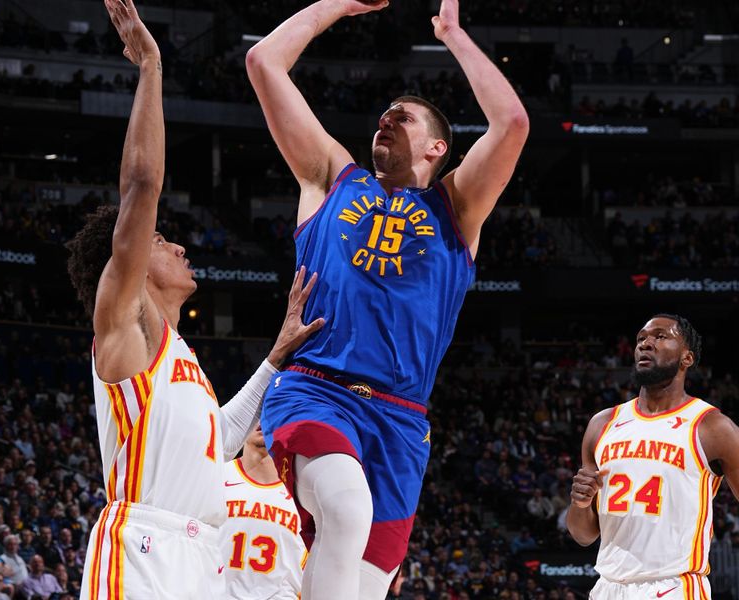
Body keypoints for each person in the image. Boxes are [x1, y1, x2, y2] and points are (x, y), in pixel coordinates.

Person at [246, 0, 528, 598]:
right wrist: (335, 4)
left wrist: (452, 34)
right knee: (346, 508)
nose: (386, 120)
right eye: (382, 116)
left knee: (367, 585)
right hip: (317, 389)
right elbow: (264, 61)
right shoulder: (330, 178)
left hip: (402, 421)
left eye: (403, 118)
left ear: (437, 150)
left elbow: (512, 123)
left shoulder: (458, 207)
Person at [66, 1, 323, 598]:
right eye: (159, 240)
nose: (177, 245)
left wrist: (276, 357)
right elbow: (141, 185)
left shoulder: (181, 355)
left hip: (203, 555)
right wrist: (151, 68)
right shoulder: (124, 323)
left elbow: (220, 437)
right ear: (125, 261)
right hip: (142, 548)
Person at [567, 314, 739, 599]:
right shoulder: (602, 424)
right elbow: (583, 535)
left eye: (660, 336)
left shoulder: (711, 427)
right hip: (607, 587)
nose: (646, 344)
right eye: (641, 339)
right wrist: (581, 503)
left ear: (687, 358)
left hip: (673, 586)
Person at [219, 427, 307, 599]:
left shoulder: (307, 494)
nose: (262, 419)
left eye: (269, 409)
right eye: (257, 412)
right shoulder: (214, 476)